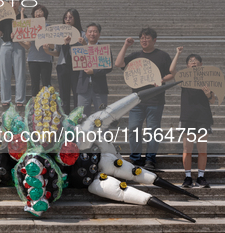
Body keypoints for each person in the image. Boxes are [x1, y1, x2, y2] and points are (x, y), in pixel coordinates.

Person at [115, 27, 173, 170]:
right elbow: (118, 64)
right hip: (137, 100)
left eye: (147, 38)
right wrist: (125, 45)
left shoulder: (163, 56)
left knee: (153, 131)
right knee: (133, 128)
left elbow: (171, 74)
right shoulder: (135, 56)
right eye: (142, 38)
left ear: (154, 40)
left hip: (155, 100)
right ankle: (135, 158)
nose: (144, 40)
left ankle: (150, 159)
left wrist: (161, 80)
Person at [170, 47, 215, 188]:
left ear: (201, 65)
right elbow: (171, 71)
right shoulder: (184, 78)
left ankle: (201, 177)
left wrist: (208, 94)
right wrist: (178, 53)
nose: (193, 63)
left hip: (203, 118)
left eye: (196, 61)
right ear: (187, 65)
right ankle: (188, 177)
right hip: (187, 118)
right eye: (190, 61)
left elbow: (213, 100)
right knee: (187, 149)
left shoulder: (208, 78)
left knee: (202, 149)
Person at [44, 8, 85, 114]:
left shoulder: (82, 34)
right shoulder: (60, 34)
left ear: (76, 19)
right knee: (64, 94)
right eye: (66, 17)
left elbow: (89, 52)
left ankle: (76, 117)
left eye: (70, 17)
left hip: (77, 67)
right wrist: (48, 51)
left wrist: (84, 43)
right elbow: (57, 52)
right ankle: (65, 118)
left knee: (77, 94)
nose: (68, 20)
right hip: (63, 66)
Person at [76, 23, 112, 116]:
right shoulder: (79, 50)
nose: (92, 34)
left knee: (102, 116)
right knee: (81, 117)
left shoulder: (104, 50)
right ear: (86, 34)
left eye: (95, 31)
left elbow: (108, 68)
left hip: (99, 87)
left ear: (99, 34)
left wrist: (94, 71)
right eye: (90, 31)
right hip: (83, 87)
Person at [26, 4, 53, 97]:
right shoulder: (30, 27)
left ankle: (48, 106)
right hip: (33, 59)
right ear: (33, 15)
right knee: (34, 84)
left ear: (44, 14)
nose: (38, 14)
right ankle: (35, 107)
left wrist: (48, 43)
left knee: (46, 84)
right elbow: (27, 45)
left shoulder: (49, 28)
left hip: (45, 59)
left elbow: (53, 46)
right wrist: (18, 38)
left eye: (40, 11)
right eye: (36, 12)